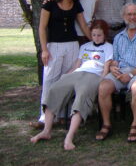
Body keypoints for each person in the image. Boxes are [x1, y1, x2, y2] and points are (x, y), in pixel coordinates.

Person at [30, 20, 113, 150]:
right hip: (78, 73)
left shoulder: (109, 47)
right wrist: (66, 75)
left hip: (94, 75)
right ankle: (46, 131)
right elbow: (77, 64)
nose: (96, 38)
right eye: (94, 35)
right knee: (54, 89)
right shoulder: (84, 46)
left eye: (99, 35)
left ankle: (69, 137)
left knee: (82, 96)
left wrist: (102, 80)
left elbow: (106, 68)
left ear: (105, 35)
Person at [32, 0, 91, 128]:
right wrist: (44, 50)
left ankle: (63, 115)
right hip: (54, 46)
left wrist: (94, 41)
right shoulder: (50, 4)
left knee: (68, 79)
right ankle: (45, 116)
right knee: (50, 80)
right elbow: (42, 28)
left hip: (72, 45)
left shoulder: (76, 5)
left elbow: (83, 25)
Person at [95, 3, 136, 142]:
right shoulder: (118, 37)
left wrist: (131, 74)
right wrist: (112, 68)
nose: (132, 17)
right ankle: (106, 124)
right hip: (121, 72)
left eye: (135, 14)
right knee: (103, 87)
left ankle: (135, 124)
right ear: (124, 17)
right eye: (129, 14)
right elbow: (115, 60)